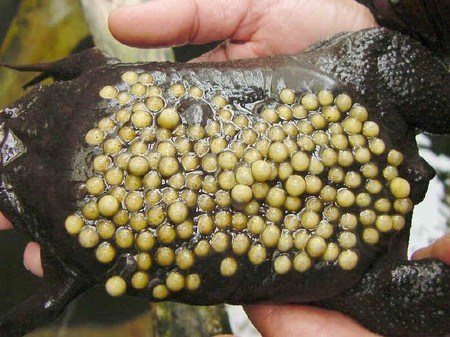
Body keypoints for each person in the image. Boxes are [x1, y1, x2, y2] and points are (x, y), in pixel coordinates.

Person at [1, 1, 449, 336]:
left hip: (356, 246)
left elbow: (40, 309)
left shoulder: (76, 250)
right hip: (353, 118)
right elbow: (89, 67)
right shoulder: (90, 90)